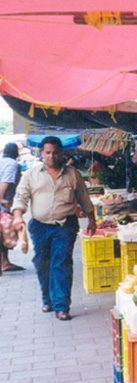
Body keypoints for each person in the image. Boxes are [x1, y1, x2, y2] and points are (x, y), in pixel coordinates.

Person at [11, 136, 96, 320]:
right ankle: (47, 299)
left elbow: (84, 198)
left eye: (55, 152)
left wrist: (92, 219)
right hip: (39, 226)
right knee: (42, 263)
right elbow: (21, 196)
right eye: (47, 152)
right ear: (41, 153)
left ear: (61, 153)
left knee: (61, 263)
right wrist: (18, 216)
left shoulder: (73, 174)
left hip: (65, 225)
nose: (51, 156)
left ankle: (62, 306)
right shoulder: (31, 174)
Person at [0, 142, 23, 272]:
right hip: (3, 205)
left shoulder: (2, 162)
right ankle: (4, 262)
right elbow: (6, 181)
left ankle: (3, 262)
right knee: (6, 232)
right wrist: (1, 198)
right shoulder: (11, 164)